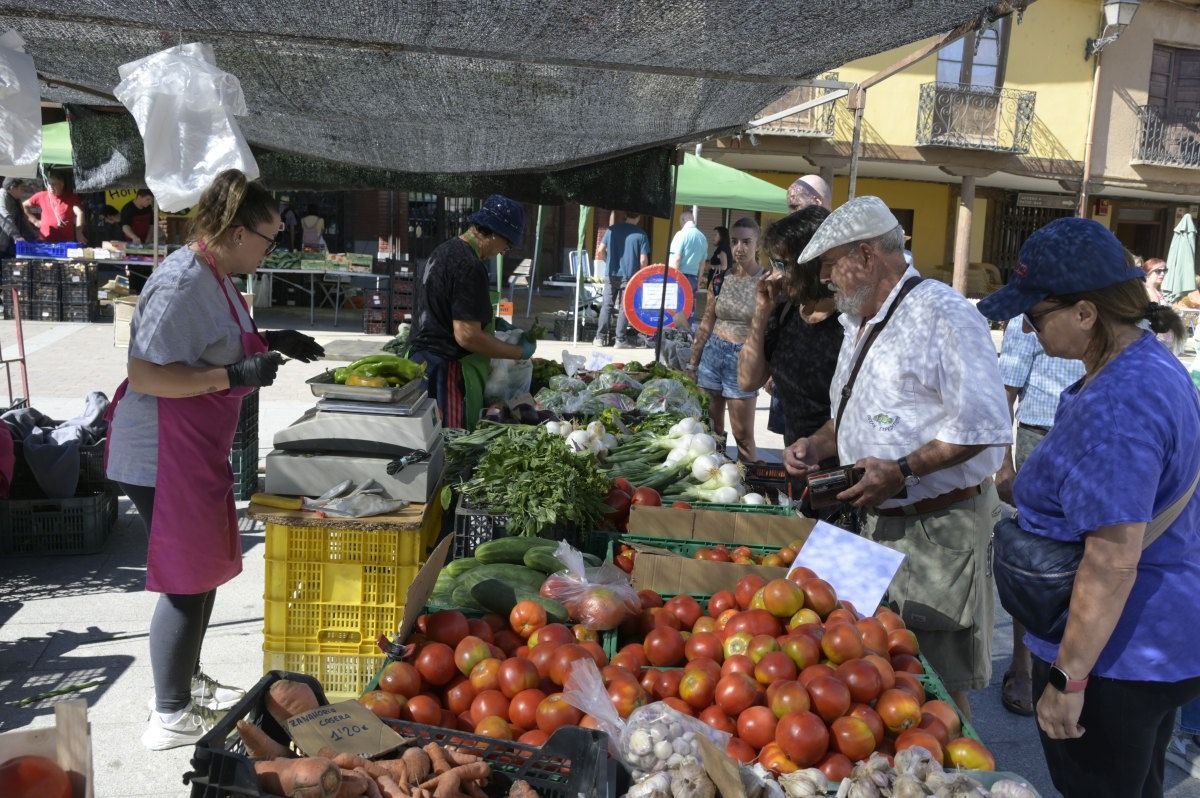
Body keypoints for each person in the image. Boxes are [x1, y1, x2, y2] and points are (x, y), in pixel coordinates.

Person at [978, 217, 1199, 798]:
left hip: (1115, 659)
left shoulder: (1118, 408)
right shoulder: (1148, 365)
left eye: (1034, 316)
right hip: (1157, 642)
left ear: (1085, 312)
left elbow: (1110, 562)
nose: (1025, 329)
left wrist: (1068, 679)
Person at [103, 168, 324, 750]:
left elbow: (214, 341)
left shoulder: (217, 273)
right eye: (269, 239)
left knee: (202, 575)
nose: (271, 250)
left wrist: (273, 339)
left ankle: (186, 681)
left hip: (192, 448)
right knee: (184, 581)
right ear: (234, 230)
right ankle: (168, 715)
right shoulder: (181, 280)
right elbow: (145, 372)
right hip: (159, 452)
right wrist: (233, 374)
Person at [785, 196, 1011, 719]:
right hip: (866, 521)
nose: (827, 282)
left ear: (865, 257)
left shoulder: (944, 313)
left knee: (932, 683)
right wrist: (819, 444)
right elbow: (856, 410)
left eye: (830, 267)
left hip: (935, 525)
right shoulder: (859, 320)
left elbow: (982, 425)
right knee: (855, 666)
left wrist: (904, 469)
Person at [992, 318, 1085, 717]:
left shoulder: (1131, 322)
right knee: (1034, 562)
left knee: (1090, 560)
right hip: (1040, 437)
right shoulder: (1027, 319)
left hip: (1094, 438)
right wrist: (1003, 464)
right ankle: (1022, 661)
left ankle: (1076, 660)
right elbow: (1004, 394)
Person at [409, 195, 535, 429]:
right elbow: (467, 335)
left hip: (422, 364)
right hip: (443, 369)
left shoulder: (444, 250)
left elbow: (447, 310)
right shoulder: (470, 265)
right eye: (507, 245)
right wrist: (518, 352)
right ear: (495, 233)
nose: (503, 251)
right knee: (448, 445)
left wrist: (489, 321)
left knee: (424, 440)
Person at [738, 207, 841, 448]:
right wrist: (762, 312)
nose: (775, 274)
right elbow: (747, 380)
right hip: (798, 459)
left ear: (812, 263)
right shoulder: (787, 310)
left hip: (839, 465)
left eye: (783, 264)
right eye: (773, 263)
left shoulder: (848, 321)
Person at [688, 217, 765, 462]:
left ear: (757, 245)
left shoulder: (767, 281)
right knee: (711, 431)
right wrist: (693, 363)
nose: (739, 248)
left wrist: (770, 370)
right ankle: (715, 476)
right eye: (734, 241)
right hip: (712, 356)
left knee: (743, 435)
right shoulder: (720, 279)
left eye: (746, 241)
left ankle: (750, 487)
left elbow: (774, 330)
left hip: (743, 359)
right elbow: (707, 322)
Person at [593, 212, 650, 347]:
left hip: (611, 273)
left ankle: (599, 338)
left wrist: (609, 262)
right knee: (624, 307)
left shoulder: (611, 230)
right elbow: (643, 260)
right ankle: (620, 340)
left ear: (626, 215)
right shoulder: (641, 234)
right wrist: (642, 276)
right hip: (630, 275)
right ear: (638, 217)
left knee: (607, 305)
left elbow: (600, 251)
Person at [668, 211, 710, 327]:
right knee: (689, 307)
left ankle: (674, 334)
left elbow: (676, 259)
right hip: (693, 278)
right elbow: (702, 264)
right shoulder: (703, 237)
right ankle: (688, 336)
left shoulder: (681, 235)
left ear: (682, 220)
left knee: (675, 308)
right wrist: (698, 281)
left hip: (679, 276)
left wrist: (672, 279)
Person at [24, 170, 85, 244]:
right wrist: (35, 221)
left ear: (62, 184)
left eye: (54, 184)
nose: (50, 187)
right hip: (45, 240)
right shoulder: (42, 195)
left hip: (65, 242)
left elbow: (79, 213)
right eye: (49, 184)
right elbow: (24, 205)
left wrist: (79, 233)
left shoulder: (71, 197)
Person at [0, 177, 35, 257]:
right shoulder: (2, 194)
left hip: (12, 245)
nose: (24, 190)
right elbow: (3, 216)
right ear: (12, 188)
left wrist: (34, 237)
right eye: (22, 188)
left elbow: (23, 220)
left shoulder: (17, 199)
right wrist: (16, 236)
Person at [705, 225, 732, 293]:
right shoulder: (723, 248)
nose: (713, 237)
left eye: (715, 235)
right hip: (719, 283)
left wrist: (710, 266)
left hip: (719, 284)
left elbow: (724, 266)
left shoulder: (723, 248)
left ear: (721, 236)